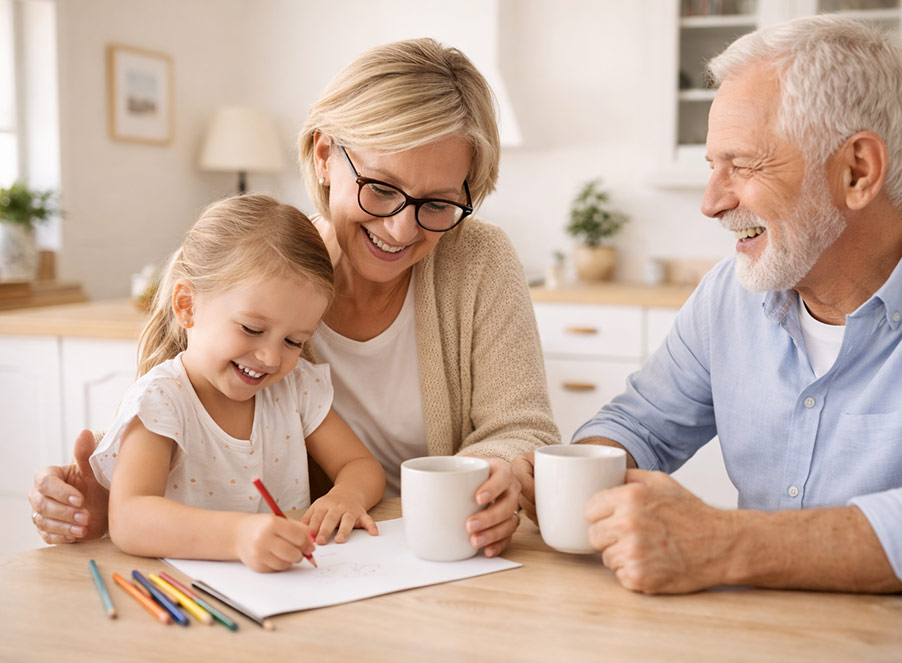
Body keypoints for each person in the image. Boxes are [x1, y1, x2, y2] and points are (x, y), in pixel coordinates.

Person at [513, 15, 902, 663]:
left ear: (858, 169)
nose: (712, 202)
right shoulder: (731, 292)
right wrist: (553, 480)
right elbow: (640, 425)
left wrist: (721, 540)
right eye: (713, 165)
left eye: (739, 164)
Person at [30, 38, 559, 558]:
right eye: (380, 188)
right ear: (326, 156)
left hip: (437, 553)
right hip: (322, 564)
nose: (400, 229)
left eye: (439, 203)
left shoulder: (479, 259)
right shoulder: (274, 279)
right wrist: (102, 494)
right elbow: (194, 415)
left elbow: (520, 427)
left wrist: (495, 475)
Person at [92, 194, 385, 572]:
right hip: (189, 597)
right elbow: (129, 518)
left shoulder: (294, 388)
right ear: (187, 306)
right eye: (252, 328)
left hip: (285, 592)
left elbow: (361, 464)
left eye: (294, 341)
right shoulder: (161, 400)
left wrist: (347, 495)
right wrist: (239, 537)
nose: (271, 357)